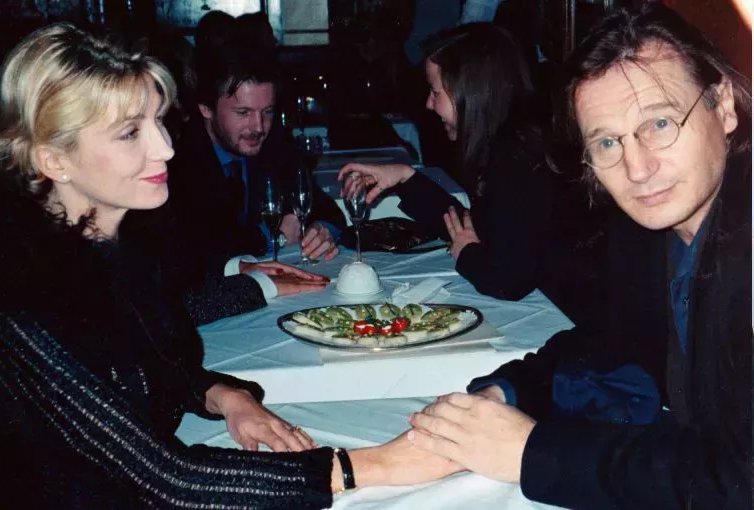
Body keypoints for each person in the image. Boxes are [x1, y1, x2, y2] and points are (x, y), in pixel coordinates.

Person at [0, 23, 458, 509]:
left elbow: (148, 368)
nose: (166, 147)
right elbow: (168, 482)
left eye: (158, 121)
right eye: (130, 133)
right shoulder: (12, 293)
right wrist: (374, 465)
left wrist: (224, 397)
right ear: (54, 160)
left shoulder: (113, 250)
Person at [403, 5, 752, 508]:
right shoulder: (649, 234)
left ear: (723, 107)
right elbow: (608, 342)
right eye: (607, 142)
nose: (637, 168)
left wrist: (531, 454)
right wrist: (511, 392)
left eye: (659, 123)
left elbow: (738, 478)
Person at [339, 23, 600, 323]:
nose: (428, 104)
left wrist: (467, 256)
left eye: (435, 92)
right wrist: (405, 178)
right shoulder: (509, 143)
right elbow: (475, 229)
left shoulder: (516, 159)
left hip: (573, 319)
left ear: (470, 93)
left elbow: (507, 280)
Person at [163, 40, 345, 264]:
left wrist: (322, 230)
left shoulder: (275, 142)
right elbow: (196, 248)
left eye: (267, 111)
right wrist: (273, 238)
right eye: (243, 112)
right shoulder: (179, 159)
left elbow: (326, 209)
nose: (259, 127)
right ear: (206, 109)